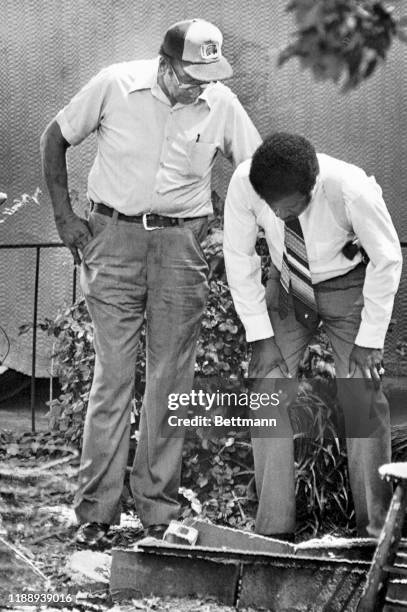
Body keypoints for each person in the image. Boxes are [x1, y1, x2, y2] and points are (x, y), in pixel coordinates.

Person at [40, 18, 261, 547]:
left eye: (209, 75)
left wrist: (232, 234)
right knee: (113, 377)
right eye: (191, 76)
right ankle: (96, 513)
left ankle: (157, 510)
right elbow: (55, 136)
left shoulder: (221, 103)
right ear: (165, 65)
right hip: (112, 238)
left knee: (171, 381)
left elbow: (256, 167)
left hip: (180, 248)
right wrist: (65, 218)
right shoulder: (115, 84)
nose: (201, 86)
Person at [224, 132, 402, 539]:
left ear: (313, 185)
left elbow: (388, 259)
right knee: (266, 386)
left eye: (290, 208)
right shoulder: (245, 182)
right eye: (272, 207)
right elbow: (238, 257)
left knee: (362, 391)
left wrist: (370, 340)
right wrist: (261, 337)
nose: (279, 214)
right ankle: (274, 530)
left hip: (347, 285)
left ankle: (374, 532)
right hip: (287, 284)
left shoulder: (351, 189)